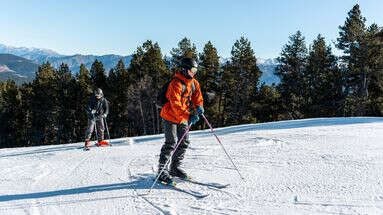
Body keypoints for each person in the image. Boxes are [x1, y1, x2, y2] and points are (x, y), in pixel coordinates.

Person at [157, 57, 205, 184]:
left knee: (184, 142)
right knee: (171, 143)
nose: (194, 72)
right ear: (184, 70)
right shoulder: (176, 83)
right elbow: (175, 104)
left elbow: (197, 97)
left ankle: (175, 168)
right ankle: (162, 171)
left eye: (196, 70)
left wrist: (199, 106)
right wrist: (189, 116)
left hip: (182, 117)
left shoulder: (194, 83)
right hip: (170, 116)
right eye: (192, 70)